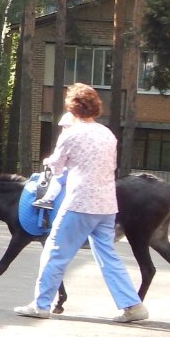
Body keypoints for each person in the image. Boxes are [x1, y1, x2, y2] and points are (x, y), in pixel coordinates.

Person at [14, 83, 148, 323]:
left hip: (80, 202)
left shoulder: (71, 134)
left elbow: (56, 166)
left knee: (55, 251)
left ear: (72, 109)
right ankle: (132, 304)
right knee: (107, 255)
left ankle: (41, 304)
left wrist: (48, 160)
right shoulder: (108, 134)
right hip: (106, 204)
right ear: (95, 107)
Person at [32, 111, 74, 209]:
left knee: (57, 177)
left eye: (66, 127)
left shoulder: (67, 138)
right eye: (64, 127)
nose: (64, 129)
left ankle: (48, 199)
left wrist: (48, 161)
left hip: (71, 171)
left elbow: (58, 158)